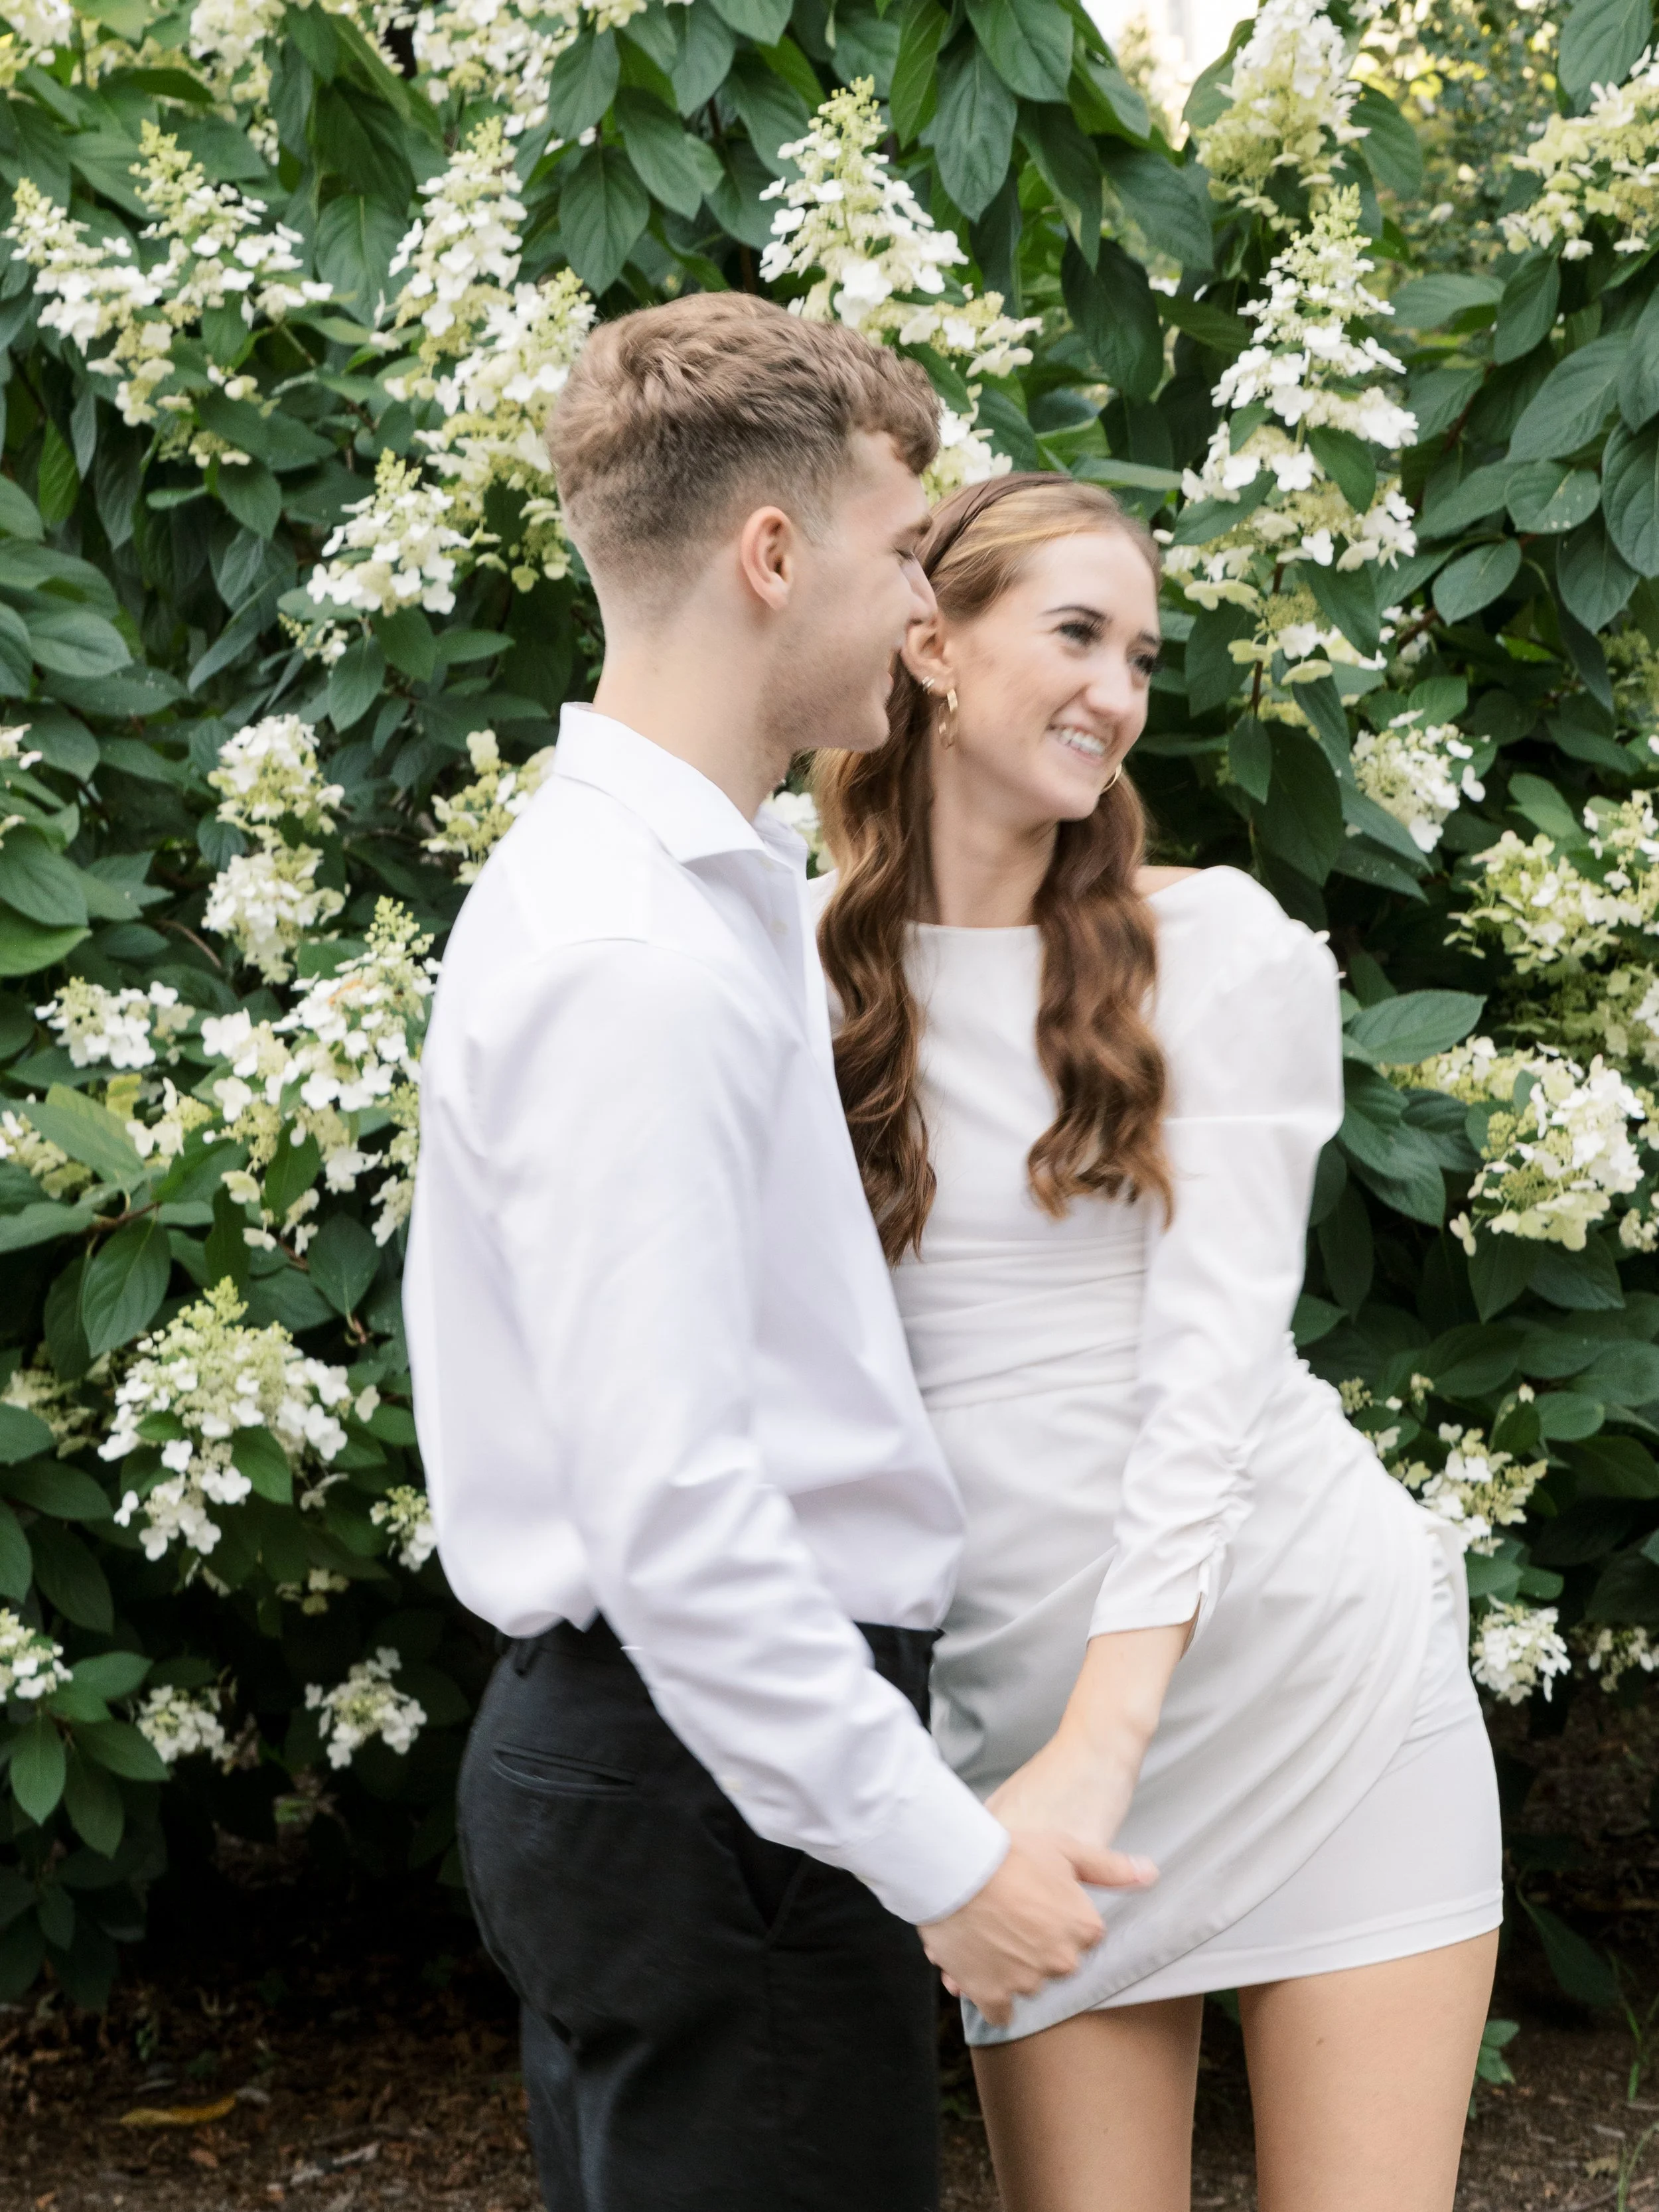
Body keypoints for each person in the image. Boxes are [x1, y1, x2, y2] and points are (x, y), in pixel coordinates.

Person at [402, 300, 1153, 2212]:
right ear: (767, 554)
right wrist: (944, 1857)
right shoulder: (632, 950)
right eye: (904, 549)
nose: (921, 605)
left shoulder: (673, 893)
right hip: (710, 1779)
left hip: (689, 1771)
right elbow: (669, 1503)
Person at [813, 471, 1503, 2212]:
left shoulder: (1216, 952)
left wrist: (1091, 1751)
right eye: (1071, 632)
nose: (1116, 689)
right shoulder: (791, 947)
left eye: (1138, 652)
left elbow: (1202, 1391)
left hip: (1305, 1679)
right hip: (1016, 1714)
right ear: (928, 647)